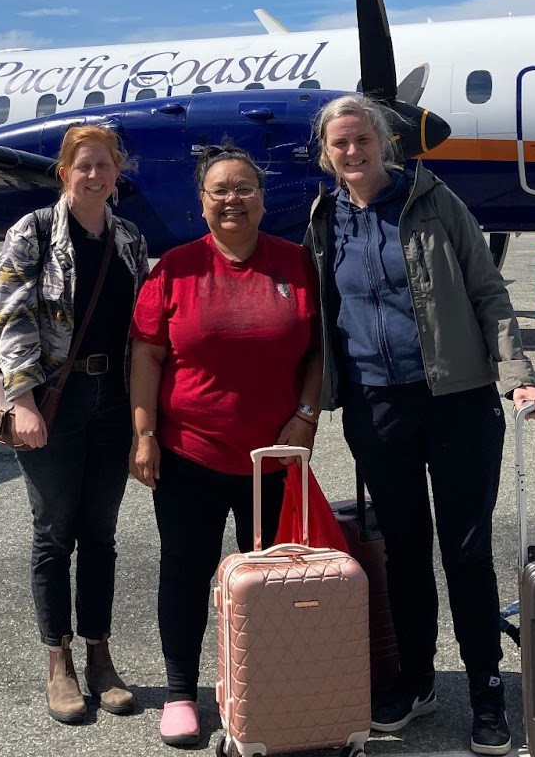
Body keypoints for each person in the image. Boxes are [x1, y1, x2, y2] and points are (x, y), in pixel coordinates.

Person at [301, 95, 535, 757]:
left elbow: (487, 291)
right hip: (375, 405)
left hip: (457, 398)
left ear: (384, 142)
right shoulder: (325, 219)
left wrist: (516, 373)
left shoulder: (437, 203)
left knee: (466, 552)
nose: (352, 151)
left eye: (362, 139)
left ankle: (487, 690)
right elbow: (315, 311)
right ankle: (416, 682)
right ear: (326, 154)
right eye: (339, 143)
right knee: (404, 551)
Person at [128, 143, 323, 748]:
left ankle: (261, 683)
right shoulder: (175, 268)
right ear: (202, 202)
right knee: (185, 571)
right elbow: (147, 355)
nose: (232, 199)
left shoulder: (296, 263)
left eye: (244, 188)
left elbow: (319, 352)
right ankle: (181, 692)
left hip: (274, 456)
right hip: (191, 452)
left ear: (262, 200)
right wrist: (144, 434)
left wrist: (307, 416)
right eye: (220, 190)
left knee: (273, 579)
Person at [0, 123, 150, 725]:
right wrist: (24, 399)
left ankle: (100, 654)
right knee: (55, 532)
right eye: (84, 165)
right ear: (63, 172)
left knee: (100, 533)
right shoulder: (32, 232)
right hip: (55, 397)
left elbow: (142, 324)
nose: (95, 175)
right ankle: (58, 661)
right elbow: (8, 317)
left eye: (105, 165)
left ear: (117, 172)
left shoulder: (129, 238)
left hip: (113, 398)